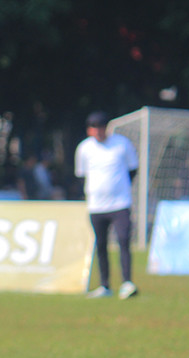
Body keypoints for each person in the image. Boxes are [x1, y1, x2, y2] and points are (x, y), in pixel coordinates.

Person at [74, 111, 139, 299]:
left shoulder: (122, 144)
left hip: (120, 203)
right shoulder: (84, 149)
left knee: (124, 239)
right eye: (94, 128)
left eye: (101, 127)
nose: (98, 132)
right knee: (100, 244)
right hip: (96, 205)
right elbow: (81, 175)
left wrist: (120, 189)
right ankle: (105, 285)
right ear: (89, 130)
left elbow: (132, 170)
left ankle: (127, 282)